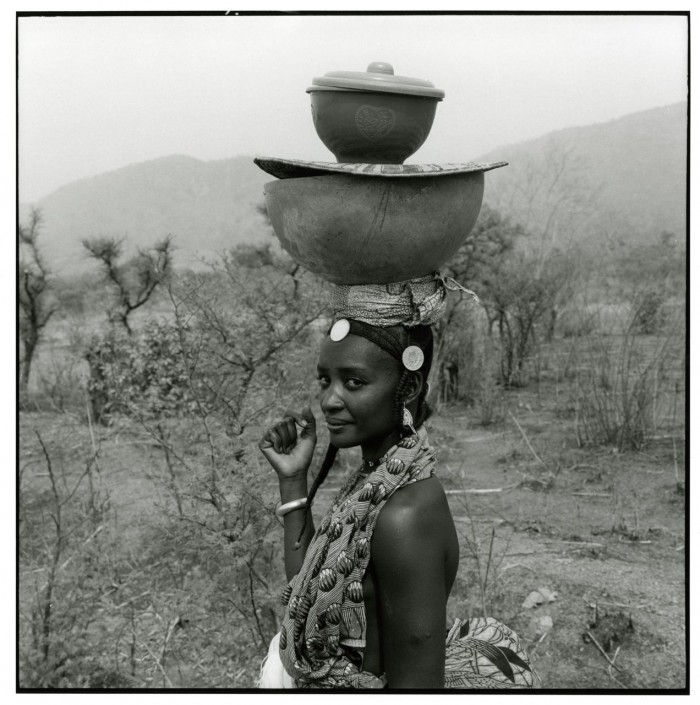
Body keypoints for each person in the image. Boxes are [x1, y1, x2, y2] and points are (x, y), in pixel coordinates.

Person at [258, 312, 534, 689]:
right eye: (325, 380)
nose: (329, 400)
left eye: (353, 382)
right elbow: (309, 594)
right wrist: (293, 481)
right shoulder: (376, 479)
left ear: (408, 388)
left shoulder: (405, 513)